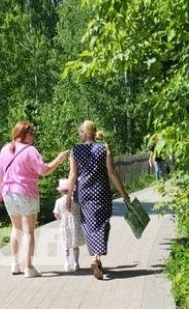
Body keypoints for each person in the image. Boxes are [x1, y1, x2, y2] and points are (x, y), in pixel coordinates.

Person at [0, 120, 67, 278]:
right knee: (29, 232)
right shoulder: (30, 150)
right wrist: (59, 160)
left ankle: (14, 264)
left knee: (16, 228)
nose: (33, 136)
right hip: (26, 193)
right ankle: (29, 267)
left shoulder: (5, 149)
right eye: (32, 133)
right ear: (25, 135)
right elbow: (44, 170)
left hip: (8, 193)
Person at [66, 120, 130, 280]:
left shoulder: (75, 150)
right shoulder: (104, 148)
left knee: (88, 224)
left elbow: (73, 175)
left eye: (80, 132)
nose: (79, 135)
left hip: (84, 193)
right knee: (102, 223)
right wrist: (123, 193)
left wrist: (68, 196)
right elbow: (112, 172)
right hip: (101, 192)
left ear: (86, 133)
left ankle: (97, 259)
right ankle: (96, 258)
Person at [53, 178, 85, 272]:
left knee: (65, 244)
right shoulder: (75, 200)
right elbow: (80, 210)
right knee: (75, 245)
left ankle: (67, 263)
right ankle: (76, 263)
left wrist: (61, 219)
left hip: (64, 224)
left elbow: (56, 214)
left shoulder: (59, 201)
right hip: (75, 223)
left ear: (61, 191)